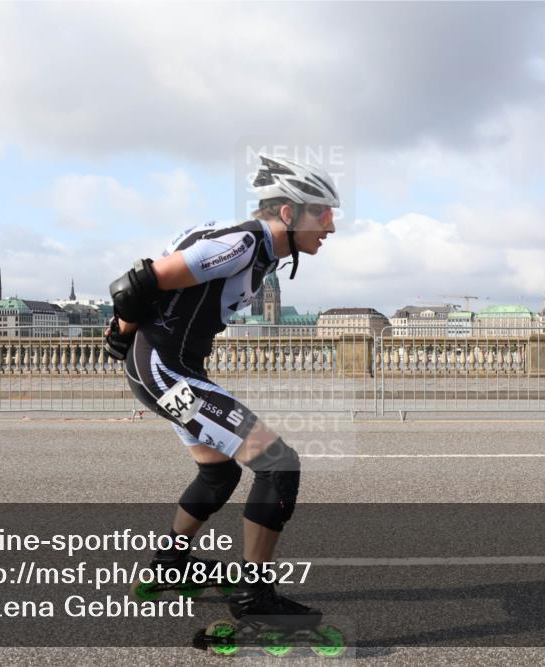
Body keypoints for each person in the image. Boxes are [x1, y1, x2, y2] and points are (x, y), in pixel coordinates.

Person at [103, 154, 339, 627]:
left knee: (219, 474)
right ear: (289, 214)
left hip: (172, 368)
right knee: (278, 465)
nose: (331, 226)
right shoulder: (245, 243)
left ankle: (170, 564)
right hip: (168, 372)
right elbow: (135, 285)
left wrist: (126, 338)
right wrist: (122, 331)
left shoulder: (251, 244)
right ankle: (255, 597)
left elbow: (153, 283)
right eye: (323, 212)